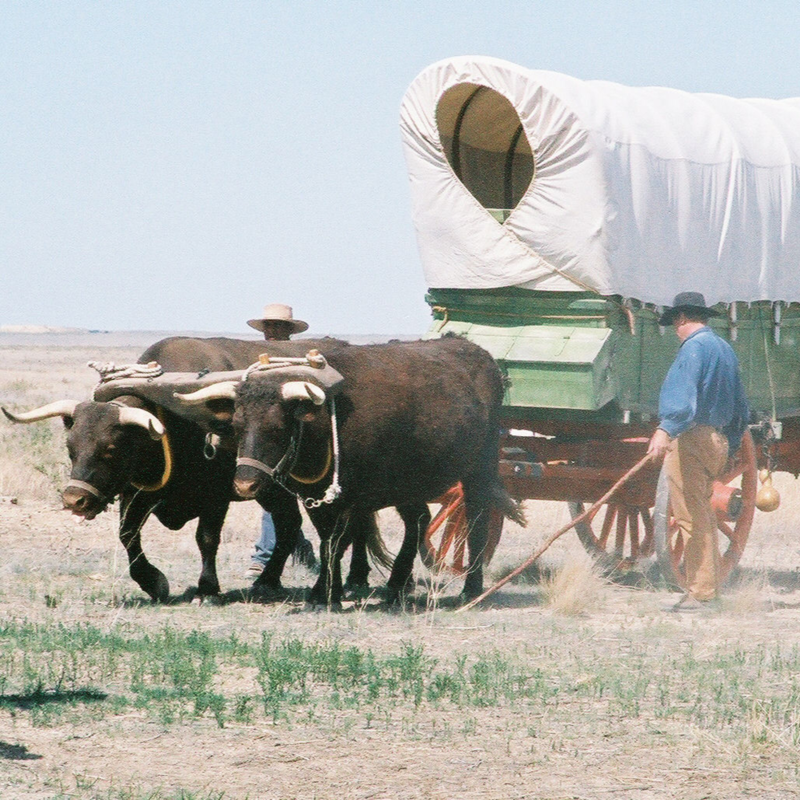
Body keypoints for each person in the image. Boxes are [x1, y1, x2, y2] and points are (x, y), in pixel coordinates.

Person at [647, 292, 749, 611]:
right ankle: (708, 587)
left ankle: (702, 593)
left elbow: (683, 397)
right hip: (718, 438)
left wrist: (665, 429)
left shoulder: (692, 349)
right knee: (703, 512)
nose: (675, 330)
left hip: (691, 438)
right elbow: (741, 407)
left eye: (674, 324)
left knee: (691, 515)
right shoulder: (724, 349)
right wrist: (730, 444)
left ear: (681, 319)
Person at [244, 304, 317, 577]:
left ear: (289, 330)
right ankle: (293, 550)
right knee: (277, 500)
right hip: (266, 443)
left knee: (275, 499)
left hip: (296, 439)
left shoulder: (300, 358)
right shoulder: (255, 359)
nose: (271, 331)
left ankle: (263, 558)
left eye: (278, 326)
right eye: (268, 326)